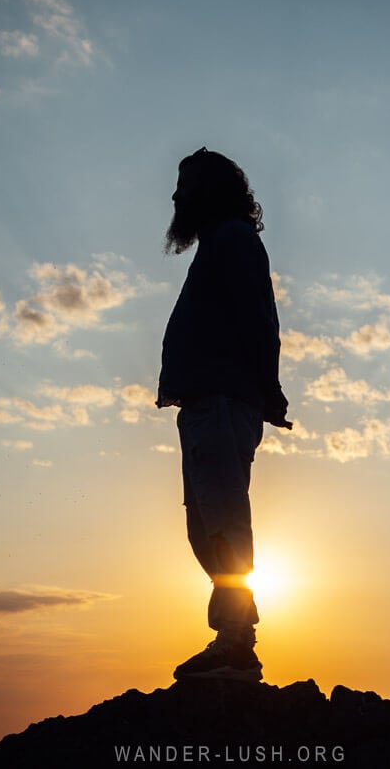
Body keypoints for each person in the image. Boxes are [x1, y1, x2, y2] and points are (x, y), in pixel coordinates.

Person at [156, 147, 292, 682]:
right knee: (206, 524)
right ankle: (232, 637)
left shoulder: (234, 240)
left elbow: (259, 318)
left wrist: (268, 388)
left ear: (210, 190)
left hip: (221, 398)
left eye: (185, 184)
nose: (175, 195)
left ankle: (237, 642)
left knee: (222, 519)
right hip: (207, 399)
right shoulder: (220, 242)